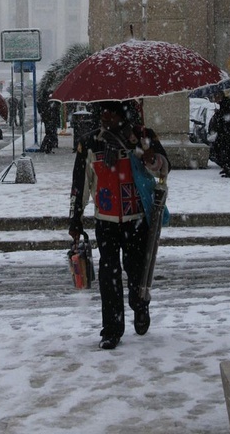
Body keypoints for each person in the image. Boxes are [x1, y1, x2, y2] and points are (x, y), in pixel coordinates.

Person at [68, 101, 170, 350]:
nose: (106, 117)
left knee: (136, 271)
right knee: (108, 275)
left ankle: (140, 305)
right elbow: (80, 183)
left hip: (136, 219)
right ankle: (112, 329)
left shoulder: (142, 136)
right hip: (106, 221)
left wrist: (151, 157)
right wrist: (75, 218)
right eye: (102, 112)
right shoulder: (90, 143)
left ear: (122, 113)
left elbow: (165, 168)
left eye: (111, 112)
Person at [210, 90, 230, 177]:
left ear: (220, 96)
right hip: (224, 132)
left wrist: (219, 114)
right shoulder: (224, 104)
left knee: (226, 151)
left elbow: (227, 117)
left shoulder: (227, 103)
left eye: (216, 97)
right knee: (221, 150)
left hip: (227, 133)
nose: (215, 99)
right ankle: (226, 167)